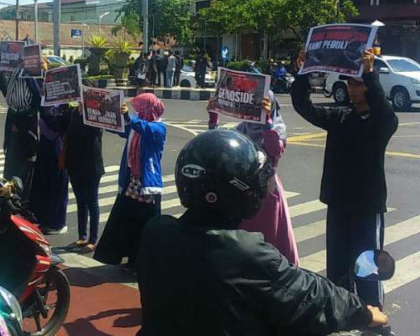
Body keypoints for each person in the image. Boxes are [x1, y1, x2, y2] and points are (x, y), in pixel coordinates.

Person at [136, 129, 389, 336]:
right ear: (239, 191)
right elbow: (310, 294)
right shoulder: (243, 252)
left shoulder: (156, 233)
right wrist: (365, 313)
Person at [291, 49, 398, 307]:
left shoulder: (382, 120)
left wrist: (370, 76)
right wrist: (303, 74)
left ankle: (374, 318)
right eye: (349, 83)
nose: (351, 89)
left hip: (366, 206)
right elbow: (304, 107)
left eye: (357, 84)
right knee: (338, 265)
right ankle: (342, 313)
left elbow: (383, 108)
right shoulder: (340, 117)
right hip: (338, 203)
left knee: (368, 266)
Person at [207, 91, 299, 265]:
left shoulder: (276, 129)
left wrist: (266, 124)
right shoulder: (242, 128)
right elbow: (220, 145)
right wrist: (213, 119)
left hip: (265, 195)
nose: (255, 109)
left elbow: (275, 151)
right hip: (241, 193)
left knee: (267, 247)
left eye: (260, 105)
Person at [94, 93, 166, 271]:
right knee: (126, 221)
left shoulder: (158, 128)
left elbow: (144, 129)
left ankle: (140, 262)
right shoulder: (136, 126)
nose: (136, 112)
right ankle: (126, 258)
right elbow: (120, 128)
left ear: (148, 109)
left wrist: (127, 117)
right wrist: (99, 117)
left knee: (143, 225)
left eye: (139, 108)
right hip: (131, 181)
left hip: (146, 184)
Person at [60, 102, 105, 252]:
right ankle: (82, 237)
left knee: (92, 202)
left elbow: (94, 133)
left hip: (92, 165)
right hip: (74, 163)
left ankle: (93, 240)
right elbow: (61, 127)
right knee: (81, 202)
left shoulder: (96, 114)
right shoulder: (72, 113)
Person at [1, 62, 42, 201]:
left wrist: (20, 123)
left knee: (22, 174)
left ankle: (21, 203)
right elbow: (8, 94)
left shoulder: (30, 74)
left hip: (25, 134)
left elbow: (36, 99)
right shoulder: (14, 72)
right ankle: (9, 201)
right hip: (13, 134)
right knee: (9, 171)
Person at [29, 105, 69, 235]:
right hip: (45, 150)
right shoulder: (45, 106)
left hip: (59, 150)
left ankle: (58, 222)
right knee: (44, 186)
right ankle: (45, 219)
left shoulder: (66, 109)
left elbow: (58, 126)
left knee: (58, 187)